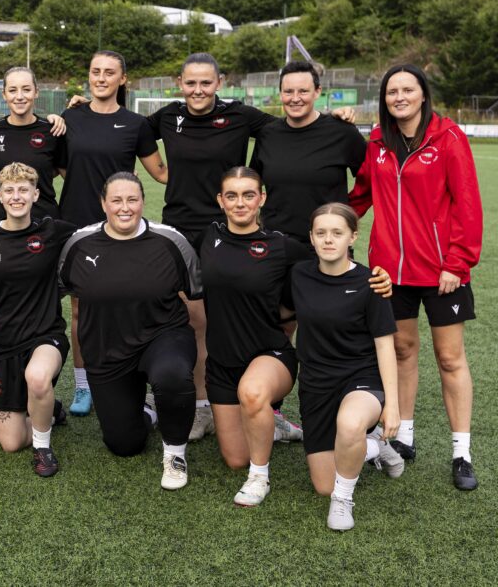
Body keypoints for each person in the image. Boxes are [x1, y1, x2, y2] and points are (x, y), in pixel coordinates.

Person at [147, 53, 354, 442]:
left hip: (255, 233)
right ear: (180, 83)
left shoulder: (246, 117)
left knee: (279, 321)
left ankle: (271, 406)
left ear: (219, 82)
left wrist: (335, 122)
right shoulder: (166, 115)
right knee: (199, 321)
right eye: (190, 82)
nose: (198, 89)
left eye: (206, 82)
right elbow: (128, 131)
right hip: (195, 232)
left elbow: (298, 132)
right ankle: (203, 405)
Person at [202, 167, 396, 507]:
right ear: (220, 201)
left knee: (252, 393)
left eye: (249, 194)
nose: (240, 202)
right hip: (222, 362)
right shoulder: (207, 237)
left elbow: (333, 261)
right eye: (231, 195)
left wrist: (376, 278)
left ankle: (259, 477)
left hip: (269, 356)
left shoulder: (282, 247)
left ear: (262, 198)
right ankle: (277, 426)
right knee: (235, 458)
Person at [349, 64, 483, 491]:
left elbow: (467, 203)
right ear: (384, 99)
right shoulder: (377, 143)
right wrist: (328, 225)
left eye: (408, 89)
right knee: (403, 350)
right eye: (392, 91)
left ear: (423, 94)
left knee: (449, 358)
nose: (399, 97)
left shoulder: (448, 138)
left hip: (443, 271)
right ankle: (403, 436)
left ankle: (461, 450)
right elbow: (361, 195)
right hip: (391, 270)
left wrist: (457, 263)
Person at [58, 173, 200, 490]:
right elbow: (59, 291)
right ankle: (149, 411)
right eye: (117, 200)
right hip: (108, 349)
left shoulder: (171, 241)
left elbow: (197, 295)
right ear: (103, 204)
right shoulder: (79, 244)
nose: (125, 208)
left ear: (142, 202)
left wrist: (202, 387)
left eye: (132, 200)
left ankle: (175, 455)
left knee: (172, 374)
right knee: (124, 444)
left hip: (163, 336)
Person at [60, 51, 168, 418]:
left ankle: (131, 380)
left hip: (122, 228)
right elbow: (60, 166)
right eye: (95, 72)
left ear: (123, 79)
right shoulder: (70, 117)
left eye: (109, 72)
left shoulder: (135, 124)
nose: (101, 78)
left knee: (127, 304)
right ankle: (82, 385)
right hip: (76, 223)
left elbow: (162, 173)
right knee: (80, 309)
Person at [291, 203, 401, 530]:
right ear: (311, 238)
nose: (328, 240)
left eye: (337, 233)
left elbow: (385, 346)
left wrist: (392, 406)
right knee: (323, 483)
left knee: (351, 424)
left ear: (352, 236)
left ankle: (343, 500)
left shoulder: (371, 283)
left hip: (360, 378)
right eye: (321, 233)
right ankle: (374, 445)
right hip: (316, 384)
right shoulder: (299, 274)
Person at [0, 163, 75, 477]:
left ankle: (43, 447)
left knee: (38, 377)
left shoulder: (52, 231)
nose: (17, 197)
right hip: (4, 343)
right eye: (10, 191)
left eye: (23, 190)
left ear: (36, 194)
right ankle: (48, 411)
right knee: (11, 442)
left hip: (46, 336)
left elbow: (94, 240)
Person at [250, 61, 366, 246]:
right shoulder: (268, 134)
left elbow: (371, 180)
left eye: (303, 91)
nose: (295, 98)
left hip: (326, 246)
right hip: (275, 246)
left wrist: (347, 214)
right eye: (288, 92)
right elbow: (252, 185)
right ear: (280, 94)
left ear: (317, 92)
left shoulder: (343, 133)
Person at [0, 67, 66, 222]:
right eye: (13, 90)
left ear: (36, 92)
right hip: (3, 220)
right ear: (4, 94)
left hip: (44, 221)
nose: (19, 96)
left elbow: (60, 172)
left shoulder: (52, 130)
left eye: (26, 89)